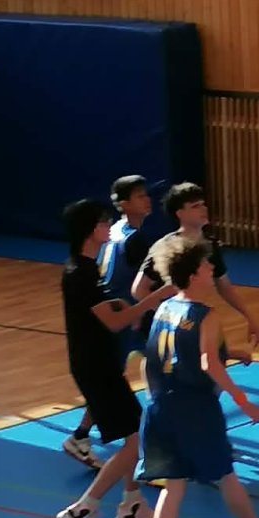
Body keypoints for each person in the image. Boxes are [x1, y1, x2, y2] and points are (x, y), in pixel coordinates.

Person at [135, 237, 259, 518]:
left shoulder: (164, 308)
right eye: (206, 266)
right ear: (193, 275)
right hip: (195, 409)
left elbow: (156, 359)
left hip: (160, 407)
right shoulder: (206, 315)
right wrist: (243, 401)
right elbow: (208, 363)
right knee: (224, 472)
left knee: (173, 488)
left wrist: (230, 352)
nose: (212, 269)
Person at [53, 199, 164, 518]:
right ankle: (82, 511)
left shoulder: (87, 268)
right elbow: (114, 322)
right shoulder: (81, 273)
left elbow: (104, 311)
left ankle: (132, 502)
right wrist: (154, 299)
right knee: (134, 441)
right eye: (103, 222)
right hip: (95, 366)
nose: (108, 226)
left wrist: (123, 306)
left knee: (134, 431)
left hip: (99, 362)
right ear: (90, 229)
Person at [62, 175, 159, 468]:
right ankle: (155, 452)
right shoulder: (133, 241)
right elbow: (145, 285)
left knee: (117, 390)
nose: (148, 200)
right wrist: (153, 301)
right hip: (120, 323)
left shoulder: (112, 236)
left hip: (115, 319)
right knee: (137, 384)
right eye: (140, 196)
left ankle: (87, 439)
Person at [131, 182, 259, 350]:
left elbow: (224, 287)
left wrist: (250, 317)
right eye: (195, 206)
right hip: (163, 328)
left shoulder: (210, 245)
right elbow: (138, 289)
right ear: (180, 213)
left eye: (203, 204)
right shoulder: (166, 247)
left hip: (189, 322)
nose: (203, 209)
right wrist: (168, 315)